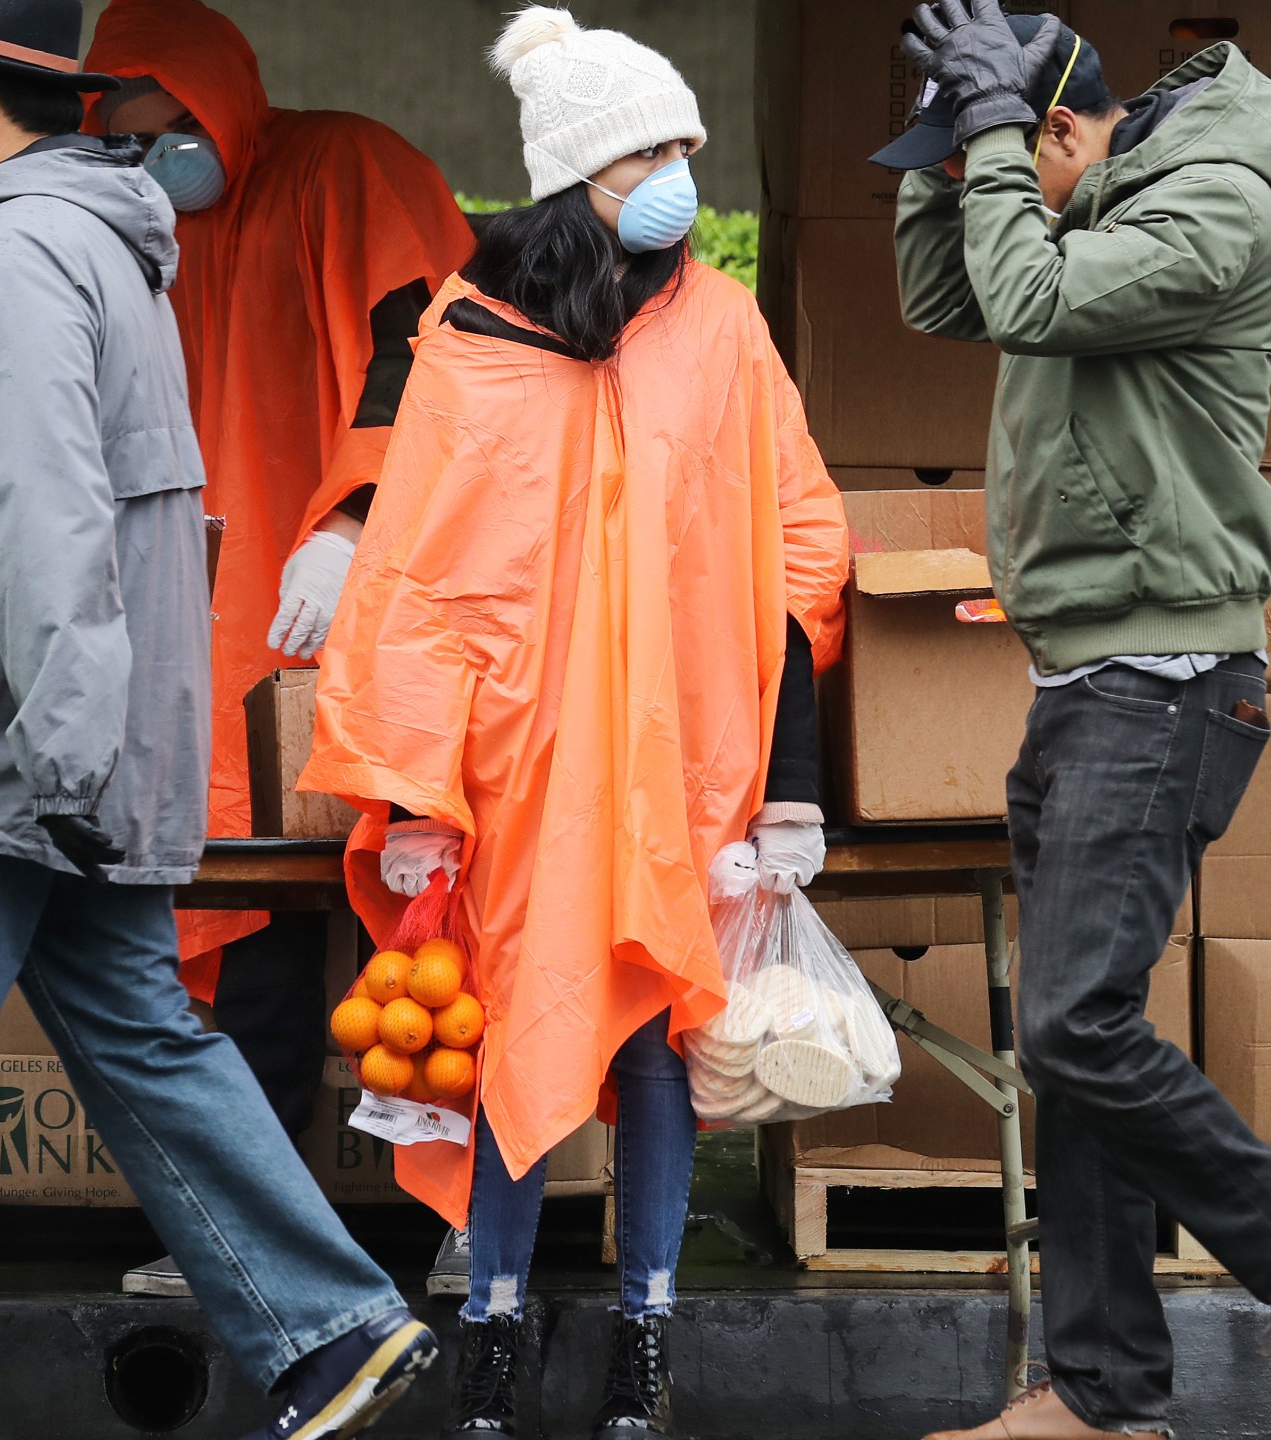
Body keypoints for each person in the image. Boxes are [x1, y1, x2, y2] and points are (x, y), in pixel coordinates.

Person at [0, 5, 435, 1440]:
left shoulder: (5, 261)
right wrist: (81, 756)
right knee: (139, 1036)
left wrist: (60, 751)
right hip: (47, 751)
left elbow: (39, 517)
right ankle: (329, 1325)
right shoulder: (74, 245)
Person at [304, 11, 848, 1437]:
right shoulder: (466, 337)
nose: (682, 172)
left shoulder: (723, 328)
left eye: (688, 145)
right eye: (654, 150)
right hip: (516, 774)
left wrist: (788, 783)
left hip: (687, 763)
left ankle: (646, 1338)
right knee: (508, 1034)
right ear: (581, 170)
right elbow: (420, 579)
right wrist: (418, 793)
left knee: (657, 1033)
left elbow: (798, 547)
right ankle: (490, 1327)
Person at [883, 5, 1271, 1437]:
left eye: (999, 145)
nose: (984, 172)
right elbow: (954, 298)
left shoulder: (1219, 209)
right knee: (1075, 1043)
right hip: (1086, 679)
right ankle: (1103, 1400)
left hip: (1164, 677)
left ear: (1059, 131)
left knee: (1079, 1024)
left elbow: (1031, 300)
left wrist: (990, 143)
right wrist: (954, 147)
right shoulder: (1086, 203)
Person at [78, 0, 481, 1299]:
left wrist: (357, 517)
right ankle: (234, 1242)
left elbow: (430, 339)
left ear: (221, 98)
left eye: (169, 130)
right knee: (239, 925)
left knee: (417, 924)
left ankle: (480, 1226)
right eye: (122, 139)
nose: (153, 162)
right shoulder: (134, 233)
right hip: (216, 637)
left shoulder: (346, 168)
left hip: (385, 608)